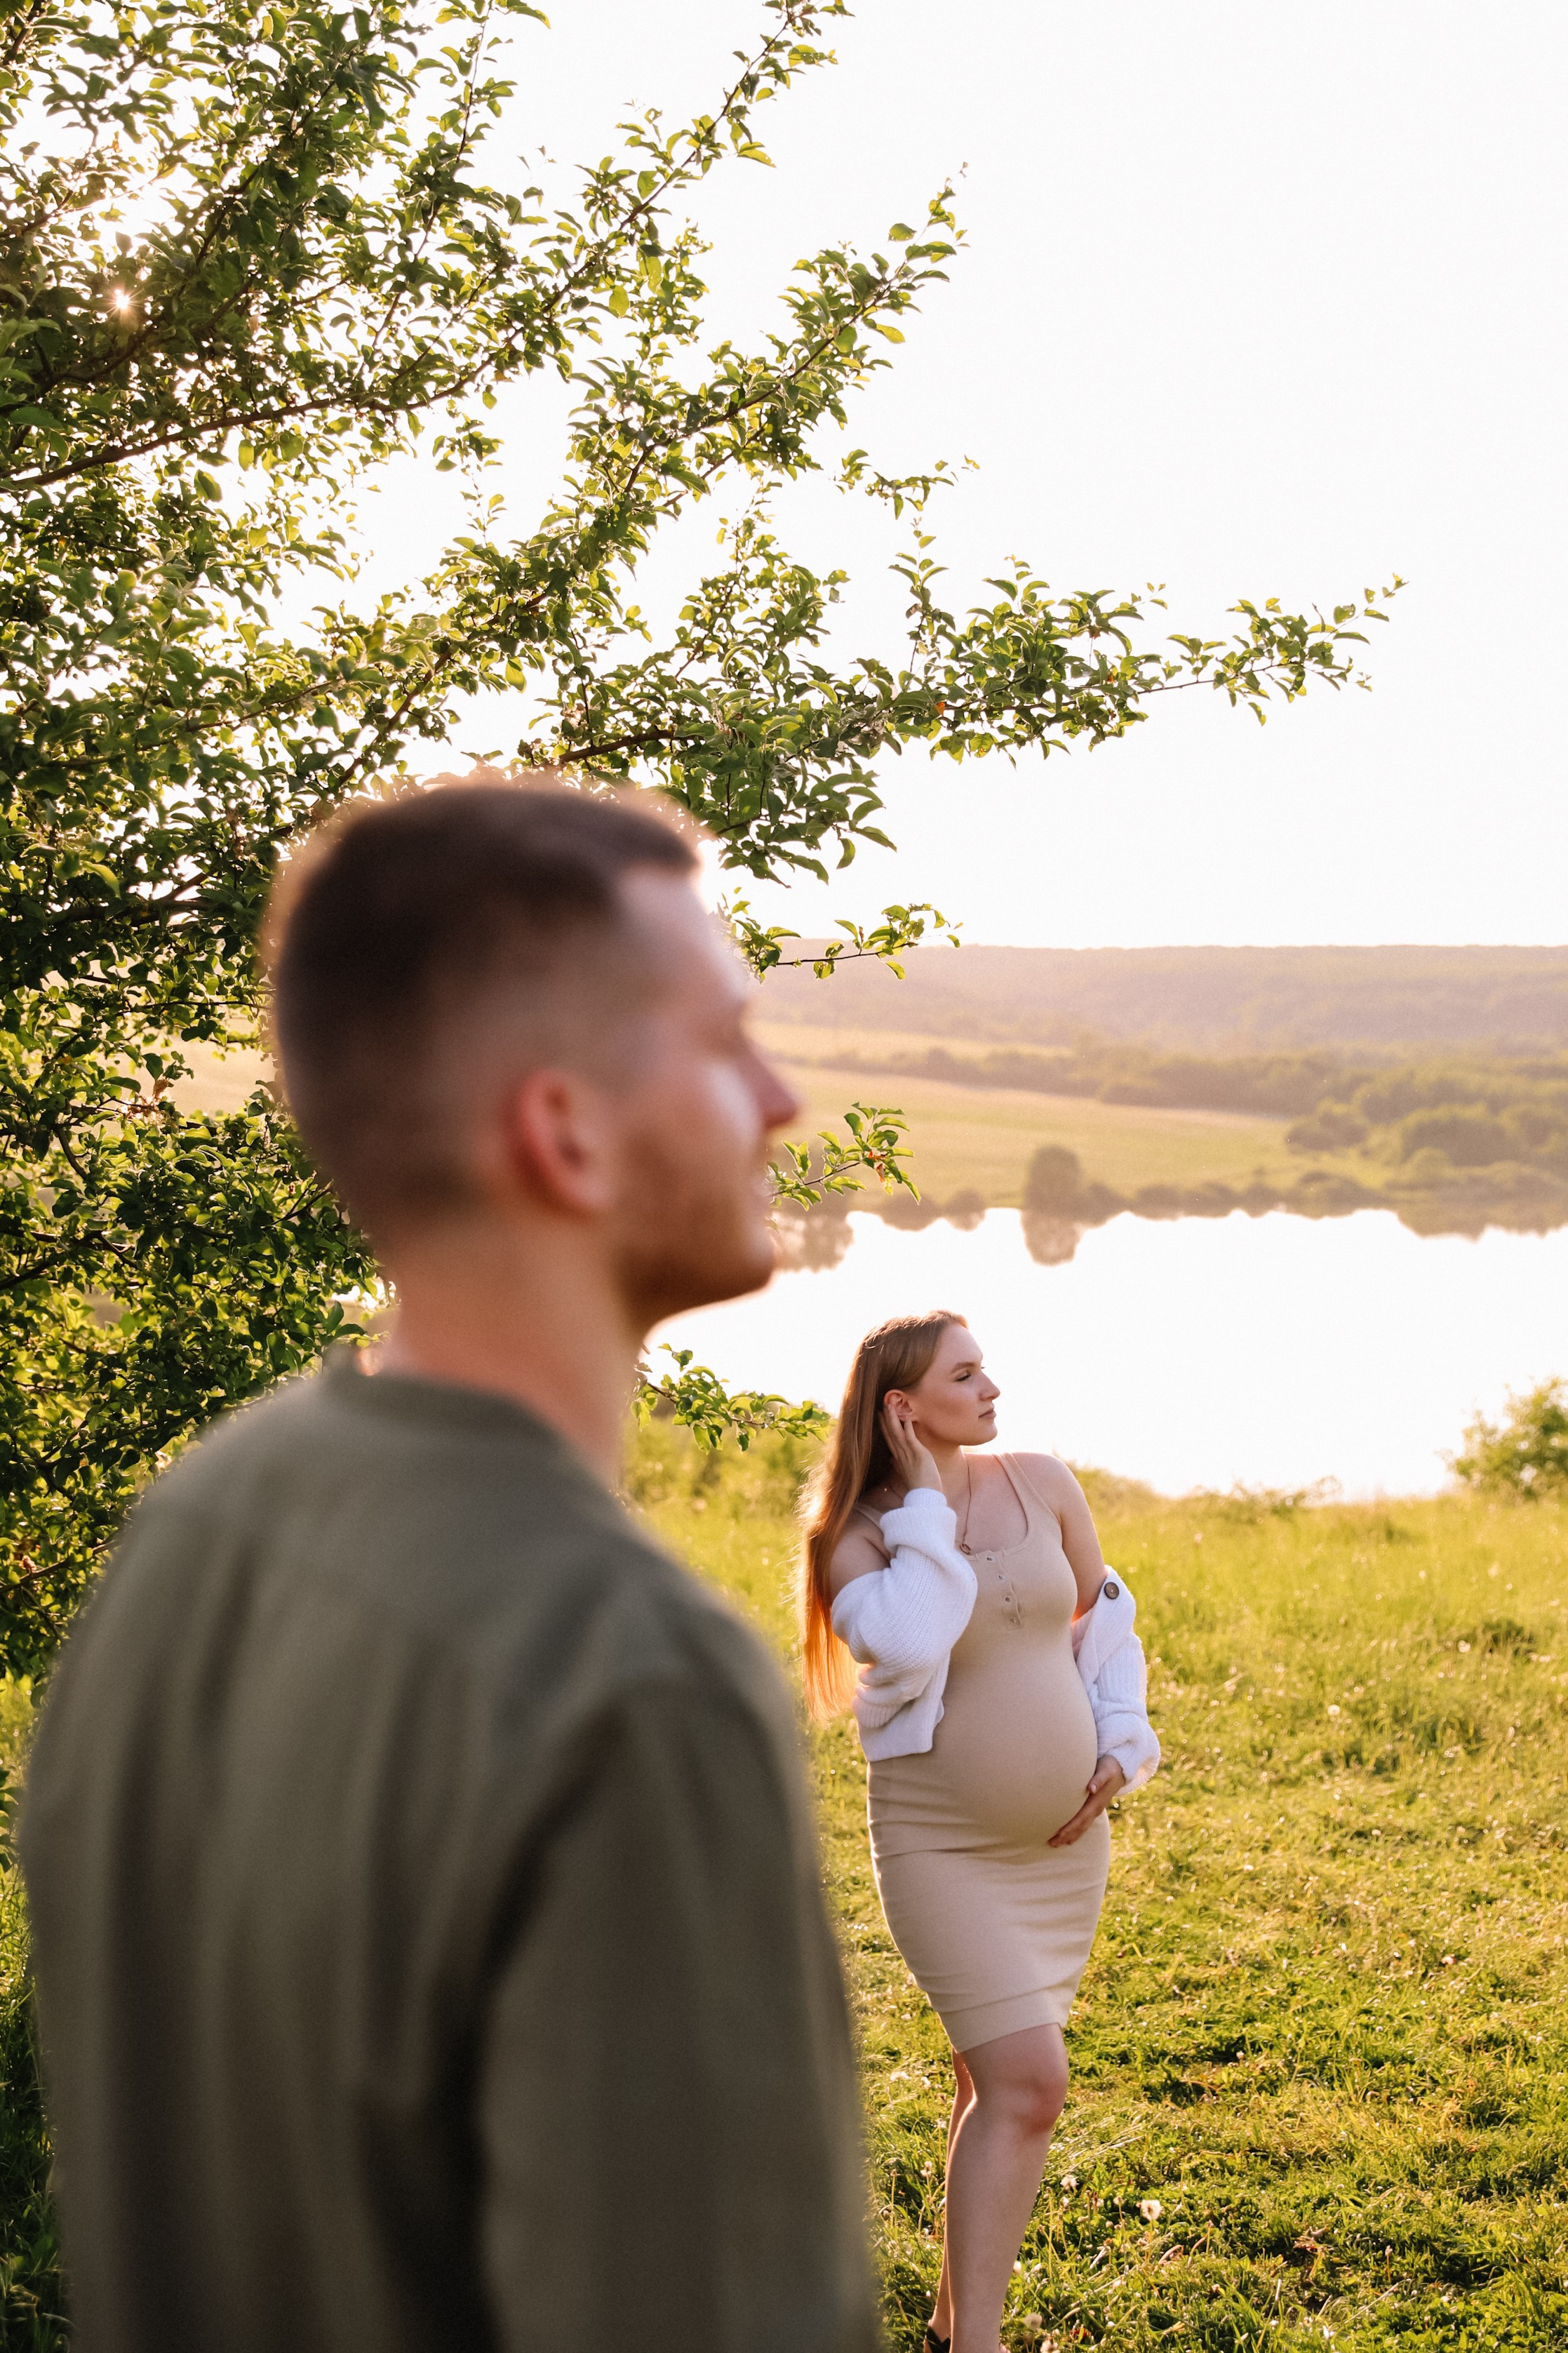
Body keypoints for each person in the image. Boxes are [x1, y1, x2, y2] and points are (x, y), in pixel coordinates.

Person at [20, 778, 880, 2353]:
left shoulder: (202, 1524)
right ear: (561, 1130)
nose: (778, 1102)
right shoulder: (624, 1680)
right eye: (720, 1042)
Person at [799, 1312, 1159, 2353]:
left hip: (1057, 1852)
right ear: (906, 1408)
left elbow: (1105, 1620)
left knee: (987, 2079)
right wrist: (921, 1501)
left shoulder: (1042, 1480)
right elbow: (911, 1632)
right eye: (966, 1373)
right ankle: (977, 2348)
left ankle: (957, 2323)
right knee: (1031, 2080)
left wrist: (1121, 1741)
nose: (992, 1385)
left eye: (986, 1364)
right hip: (942, 1849)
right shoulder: (858, 1534)